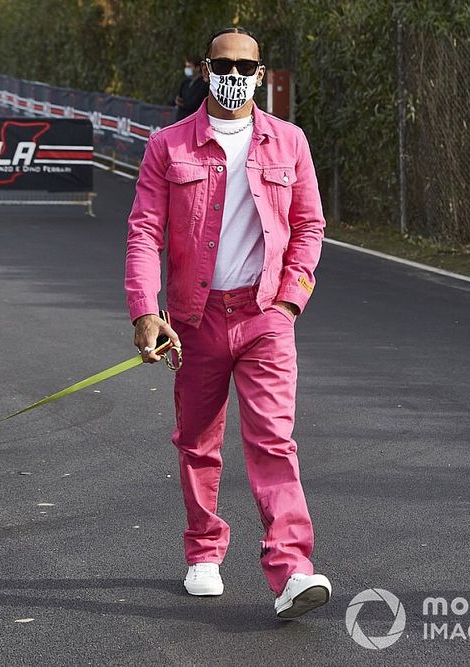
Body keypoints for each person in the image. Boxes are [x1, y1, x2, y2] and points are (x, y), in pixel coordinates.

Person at [124, 27, 331, 620]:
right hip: (195, 318)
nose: (234, 74)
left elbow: (310, 228)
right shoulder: (168, 146)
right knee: (197, 442)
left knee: (274, 442)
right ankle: (204, 551)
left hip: (267, 315)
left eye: (246, 65)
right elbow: (144, 232)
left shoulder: (289, 142)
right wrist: (145, 310)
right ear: (205, 70)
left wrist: (291, 301)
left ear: (261, 74)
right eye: (223, 63)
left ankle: (292, 569)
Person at [174, 55, 208, 121]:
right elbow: (178, 97)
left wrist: (182, 104)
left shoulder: (203, 85)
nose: (187, 69)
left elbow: (194, 104)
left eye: (189, 66)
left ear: (197, 68)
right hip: (181, 119)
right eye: (186, 66)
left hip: (194, 120)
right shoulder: (185, 83)